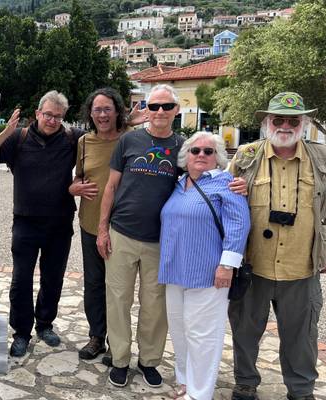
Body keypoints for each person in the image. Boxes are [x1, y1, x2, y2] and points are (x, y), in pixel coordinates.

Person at [228, 92, 326, 400]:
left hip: (301, 266)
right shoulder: (246, 156)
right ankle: (245, 383)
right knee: (245, 330)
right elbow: (224, 206)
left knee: (302, 335)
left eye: (292, 120)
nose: (285, 125)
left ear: (304, 123)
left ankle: (300, 390)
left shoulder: (322, 159)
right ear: (267, 122)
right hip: (252, 265)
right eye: (278, 119)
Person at [96, 84, 186, 388]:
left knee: (154, 305)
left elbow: (202, 180)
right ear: (146, 109)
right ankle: (120, 359)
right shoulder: (129, 141)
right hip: (122, 233)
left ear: (176, 110)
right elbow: (110, 187)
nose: (160, 112)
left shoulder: (183, 147)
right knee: (118, 300)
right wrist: (102, 229)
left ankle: (149, 360)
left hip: (161, 240)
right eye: (154, 106)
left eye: (166, 106)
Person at [159, 132, 251, 400]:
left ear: (217, 158)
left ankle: (200, 394)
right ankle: (186, 380)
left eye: (208, 152)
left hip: (209, 273)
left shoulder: (226, 184)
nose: (201, 155)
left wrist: (227, 266)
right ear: (186, 155)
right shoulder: (178, 184)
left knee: (203, 336)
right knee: (180, 330)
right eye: (195, 150)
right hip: (175, 271)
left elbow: (239, 225)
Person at [0, 90, 83, 357]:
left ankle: (45, 324)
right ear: (37, 114)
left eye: (58, 116)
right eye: (48, 114)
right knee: (21, 280)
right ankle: (21, 331)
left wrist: (126, 123)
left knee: (52, 278)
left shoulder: (73, 139)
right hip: (25, 222)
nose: (53, 120)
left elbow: (104, 139)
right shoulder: (18, 138)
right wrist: (5, 132)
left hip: (59, 222)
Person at [69, 88, 146, 361]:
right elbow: (79, 177)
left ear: (117, 112)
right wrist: (74, 189)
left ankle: (118, 342)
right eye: (97, 110)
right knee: (93, 283)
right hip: (90, 222)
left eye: (107, 109)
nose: (102, 115)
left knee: (119, 287)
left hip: (122, 226)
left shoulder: (132, 140)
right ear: (90, 114)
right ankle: (96, 337)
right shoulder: (85, 143)